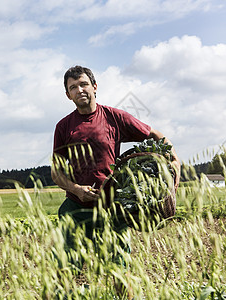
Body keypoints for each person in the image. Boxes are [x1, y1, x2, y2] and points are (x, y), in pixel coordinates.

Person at [51, 65, 180, 298]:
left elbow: (156, 136)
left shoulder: (114, 117)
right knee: (65, 273)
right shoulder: (63, 127)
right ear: (67, 95)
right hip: (76, 209)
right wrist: (77, 189)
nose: (79, 90)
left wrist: (173, 158)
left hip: (112, 209)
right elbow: (56, 173)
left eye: (83, 84)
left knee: (120, 274)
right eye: (73, 87)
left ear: (95, 87)